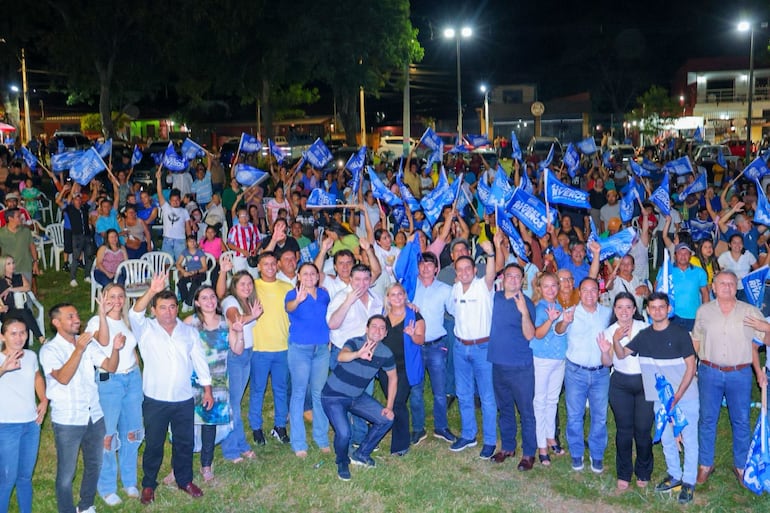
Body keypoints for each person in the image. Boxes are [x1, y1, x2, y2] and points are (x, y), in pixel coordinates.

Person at [128, 274, 212, 505]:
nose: (168, 312)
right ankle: (148, 484)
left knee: (184, 442)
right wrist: (152, 290)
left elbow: (200, 361)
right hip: (155, 399)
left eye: (172, 307)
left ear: (177, 308)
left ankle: (184, 480)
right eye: (162, 307)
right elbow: (134, 313)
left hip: (183, 398)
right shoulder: (145, 329)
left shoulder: (189, 332)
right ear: (154, 310)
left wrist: (207, 389)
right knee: (154, 443)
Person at [614, 292, 699, 504]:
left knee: (688, 439)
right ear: (648, 311)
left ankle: (688, 481)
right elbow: (622, 354)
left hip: (684, 396)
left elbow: (691, 366)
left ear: (669, 309)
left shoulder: (680, 334)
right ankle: (674, 475)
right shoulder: (644, 336)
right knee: (667, 438)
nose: (658, 311)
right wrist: (615, 340)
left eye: (662, 307)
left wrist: (677, 396)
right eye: (653, 308)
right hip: (659, 398)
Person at [40, 303, 122, 513]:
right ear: (56, 322)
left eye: (77, 315)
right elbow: (64, 378)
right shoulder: (49, 350)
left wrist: (115, 348)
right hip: (68, 419)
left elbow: (110, 367)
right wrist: (78, 349)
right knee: (67, 474)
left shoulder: (87, 344)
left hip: (94, 415)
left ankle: (86, 505)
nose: (77, 319)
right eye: (70, 316)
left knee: (95, 464)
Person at [692, 270, 767, 487]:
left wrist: (767, 328)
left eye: (731, 284)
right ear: (713, 287)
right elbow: (696, 340)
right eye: (722, 283)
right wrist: (699, 365)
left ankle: (741, 465)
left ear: (737, 287)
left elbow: (766, 340)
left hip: (740, 374)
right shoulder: (704, 311)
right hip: (710, 372)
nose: (727, 287)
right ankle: (705, 464)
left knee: (741, 420)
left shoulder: (749, 311)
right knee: (707, 419)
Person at [85, 284, 143, 506]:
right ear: (103, 298)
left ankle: (129, 480)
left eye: (121, 296)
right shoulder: (96, 321)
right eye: (112, 297)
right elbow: (103, 341)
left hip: (132, 379)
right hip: (111, 382)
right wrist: (102, 313)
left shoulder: (125, 320)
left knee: (132, 431)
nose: (117, 301)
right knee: (108, 435)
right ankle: (107, 486)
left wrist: (139, 374)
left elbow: (132, 350)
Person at [321, 315, 397, 481]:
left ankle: (361, 454)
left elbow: (393, 377)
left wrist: (389, 406)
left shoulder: (385, 353)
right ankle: (342, 461)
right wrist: (358, 354)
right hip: (333, 396)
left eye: (382, 328)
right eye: (374, 326)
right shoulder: (355, 342)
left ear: (385, 334)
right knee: (344, 432)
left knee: (386, 419)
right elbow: (341, 356)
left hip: (355, 397)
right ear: (366, 329)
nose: (377, 330)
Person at [184, 285, 244, 482]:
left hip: (217, 381)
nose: (209, 301)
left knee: (209, 424)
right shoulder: (189, 324)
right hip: (193, 381)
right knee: (186, 425)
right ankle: (179, 466)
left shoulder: (226, 323)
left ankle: (206, 464)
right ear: (197, 302)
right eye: (204, 298)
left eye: (212, 297)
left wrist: (239, 332)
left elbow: (237, 349)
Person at [555, 277, 613, 473]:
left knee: (600, 416)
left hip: (600, 373)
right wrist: (564, 322)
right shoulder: (570, 312)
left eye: (593, 290)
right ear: (579, 293)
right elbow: (558, 330)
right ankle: (577, 453)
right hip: (575, 372)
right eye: (585, 290)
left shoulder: (607, 314)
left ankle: (596, 454)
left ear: (599, 293)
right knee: (574, 415)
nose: (589, 294)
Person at [597, 292, 652, 491]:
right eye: (619, 307)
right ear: (614, 310)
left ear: (635, 310)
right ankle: (624, 472)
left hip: (644, 381)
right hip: (620, 383)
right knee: (624, 430)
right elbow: (607, 363)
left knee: (644, 429)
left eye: (628, 307)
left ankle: (644, 470)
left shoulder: (644, 328)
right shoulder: (609, 331)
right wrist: (605, 350)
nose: (624, 311)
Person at [448, 237, 498, 458]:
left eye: (468, 268)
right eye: (460, 269)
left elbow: (491, 273)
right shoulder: (456, 288)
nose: (464, 272)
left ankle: (489, 441)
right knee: (463, 393)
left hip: (482, 348)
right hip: (460, 348)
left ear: (474, 269)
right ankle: (468, 435)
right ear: (456, 272)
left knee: (487, 397)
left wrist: (491, 253)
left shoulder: (483, 286)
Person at [487, 263, 537, 470]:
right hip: (498, 364)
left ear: (523, 280)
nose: (514, 280)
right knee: (505, 408)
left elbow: (530, 335)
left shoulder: (527, 303)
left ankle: (528, 453)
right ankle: (508, 446)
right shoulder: (495, 298)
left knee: (526, 411)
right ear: (503, 278)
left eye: (518, 277)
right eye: (510, 276)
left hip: (520, 367)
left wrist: (524, 312)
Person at [216, 259, 262, 463]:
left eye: (249, 284)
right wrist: (252, 316)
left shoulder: (246, 302)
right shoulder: (231, 302)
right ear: (234, 286)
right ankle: (232, 448)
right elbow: (235, 321)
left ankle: (239, 444)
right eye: (242, 284)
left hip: (247, 354)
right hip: (235, 356)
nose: (247, 287)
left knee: (235, 402)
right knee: (233, 403)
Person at [0, 317, 47, 513]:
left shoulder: (30, 356)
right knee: (7, 478)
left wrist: (44, 399)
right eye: (13, 333)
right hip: (6, 425)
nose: (19, 337)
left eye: (23, 333)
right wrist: (3, 369)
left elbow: (37, 376)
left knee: (25, 476)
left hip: (31, 423)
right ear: (2, 336)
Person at [410, 251, 458, 444]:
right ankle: (418, 428)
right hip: (415, 346)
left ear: (436, 269)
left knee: (440, 391)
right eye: (422, 264)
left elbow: (455, 311)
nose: (426, 268)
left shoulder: (445, 289)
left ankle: (441, 427)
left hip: (437, 345)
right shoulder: (411, 287)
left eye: (430, 265)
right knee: (416, 390)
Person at [284, 262, 331, 457]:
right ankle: (299, 443)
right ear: (299, 276)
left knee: (319, 393)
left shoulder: (324, 294)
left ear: (318, 276)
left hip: (321, 349)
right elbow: (289, 308)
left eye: (313, 273)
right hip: (300, 350)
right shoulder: (292, 294)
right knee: (299, 393)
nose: (310, 276)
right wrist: (299, 300)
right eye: (305, 273)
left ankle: (321, 438)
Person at [249, 252, 293, 446]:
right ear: (259, 266)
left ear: (278, 266)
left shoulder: (287, 287)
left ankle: (280, 426)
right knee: (258, 389)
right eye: (265, 264)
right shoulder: (252, 287)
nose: (269, 267)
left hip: (282, 346)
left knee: (281, 389)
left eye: (273, 263)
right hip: (259, 347)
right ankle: (256, 428)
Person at [378, 283, 425, 456]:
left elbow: (420, 340)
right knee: (392, 402)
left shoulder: (415, 316)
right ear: (388, 298)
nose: (397, 297)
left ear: (405, 295)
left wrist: (412, 334)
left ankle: (400, 444)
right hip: (386, 368)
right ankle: (396, 433)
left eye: (400, 294)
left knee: (398, 403)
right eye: (393, 294)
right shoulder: (383, 318)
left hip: (405, 368)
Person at [530, 272, 567, 465]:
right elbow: (537, 334)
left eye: (554, 285)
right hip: (542, 360)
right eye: (546, 286)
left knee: (553, 400)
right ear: (539, 289)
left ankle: (550, 435)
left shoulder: (560, 307)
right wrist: (550, 320)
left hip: (559, 359)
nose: (551, 290)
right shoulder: (538, 308)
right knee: (540, 401)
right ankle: (541, 444)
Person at [0, 255, 45, 345]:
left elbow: (27, 287)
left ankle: (24, 346)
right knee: (25, 313)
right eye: (8, 264)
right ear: (3, 266)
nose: (12, 266)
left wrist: (10, 289)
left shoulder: (19, 276)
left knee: (24, 314)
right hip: (7, 312)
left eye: (13, 263)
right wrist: (1, 307)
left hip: (21, 309)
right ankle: (40, 337)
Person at [669, 243, 709, 331]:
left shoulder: (700, 272)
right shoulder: (666, 270)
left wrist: (705, 313)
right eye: (680, 253)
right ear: (675, 255)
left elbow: (705, 293)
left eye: (686, 253)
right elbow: (657, 289)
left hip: (693, 317)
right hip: (672, 316)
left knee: (693, 344)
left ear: (690, 256)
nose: (683, 256)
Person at [156, 167, 192, 261]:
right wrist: (159, 179)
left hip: (180, 240)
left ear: (180, 200)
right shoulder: (166, 207)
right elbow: (159, 193)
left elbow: (188, 227)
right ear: (169, 201)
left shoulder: (184, 211)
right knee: (167, 264)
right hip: (167, 240)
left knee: (180, 264)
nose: (175, 202)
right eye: (173, 200)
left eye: (177, 200)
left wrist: (189, 239)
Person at [0, 208, 40, 286]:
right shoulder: (1, 233)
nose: (22, 218)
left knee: (26, 292)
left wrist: (35, 262)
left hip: (25, 267)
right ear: (10, 218)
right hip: (9, 270)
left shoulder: (25, 231)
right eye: (18, 216)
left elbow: (32, 247)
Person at [717, 234, 758, 302]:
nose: (737, 245)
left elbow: (757, 269)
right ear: (729, 245)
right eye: (734, 242)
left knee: (744, 309)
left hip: (745, 288)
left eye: (740, 242)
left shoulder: (748, 255)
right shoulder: (724, 256)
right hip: (729, 288)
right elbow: (718, 273)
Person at [176, 236, 208, 309]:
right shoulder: (185, 252)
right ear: (187, 243)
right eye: (190, 241)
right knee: (181, 282)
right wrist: (183, 271)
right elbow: (178, 264)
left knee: (195, 283)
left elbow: (205, 267)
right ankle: (185, 301)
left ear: (196, 243)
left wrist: (196, 271)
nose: (192, 243)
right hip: (189, 273)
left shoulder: (199, 252)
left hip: (199, 272)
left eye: (193, 241)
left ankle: (188, 303)